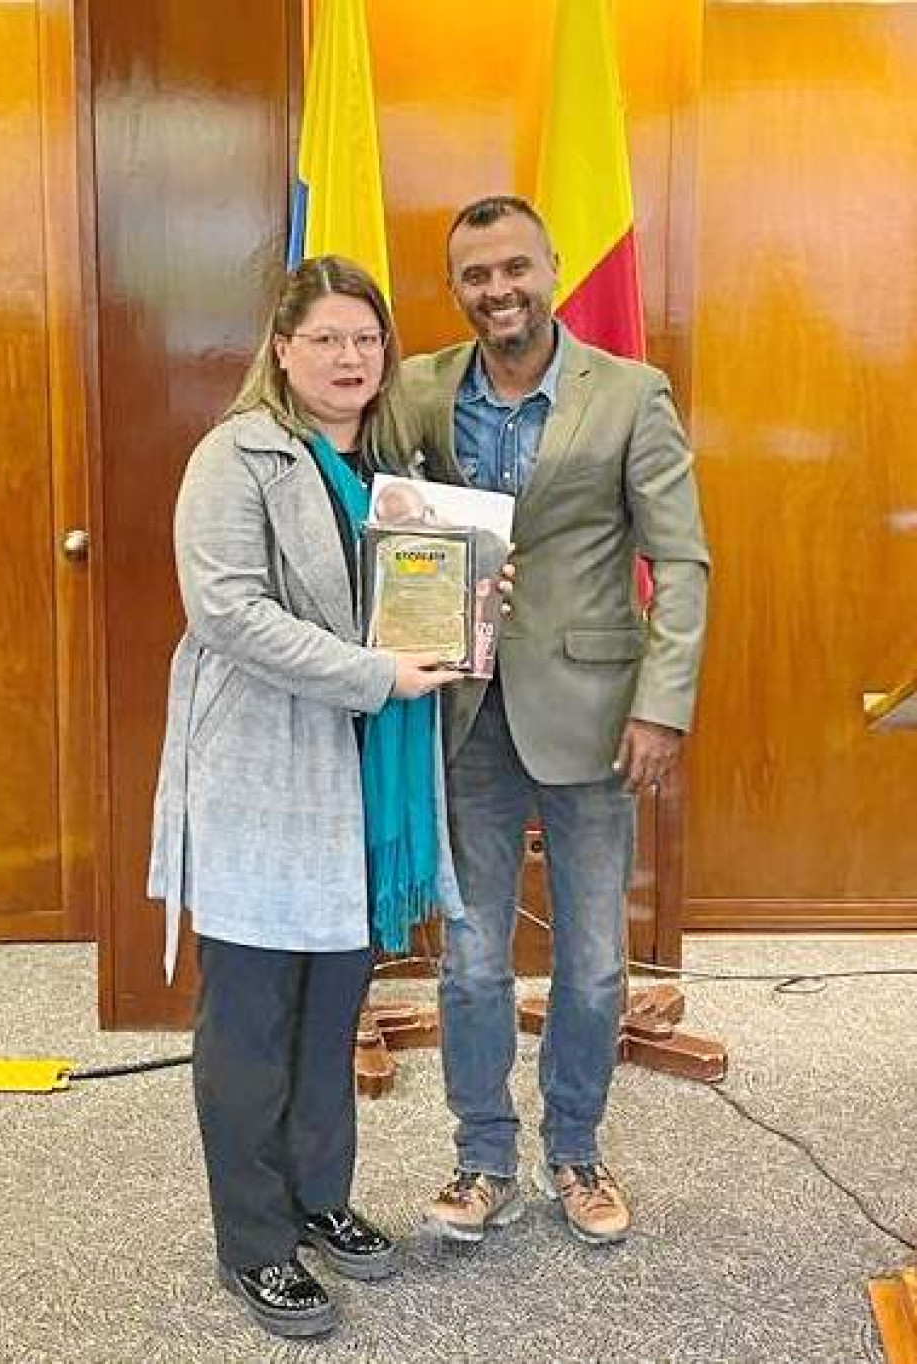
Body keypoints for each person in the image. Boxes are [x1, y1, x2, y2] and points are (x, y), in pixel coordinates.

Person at [385, 195, 710, 1247]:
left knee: (595, 956)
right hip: (464, 710)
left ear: (554, 269)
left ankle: (575, 1148)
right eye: (477, 275)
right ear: (458, 288)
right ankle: (484, 1158)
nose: (499, 290)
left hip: (595, 712)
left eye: (516, 268)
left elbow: (683, 558)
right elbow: (382, 517)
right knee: (471, 957)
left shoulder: (629, 393)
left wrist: (664, 702)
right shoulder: (417, 388)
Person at [147, 255, 458, 1340]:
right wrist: (376, 673)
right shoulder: (235, 456)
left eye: (366, 339)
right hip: (264, 777)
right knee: (251, 1020)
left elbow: (418, 604)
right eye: (325, 337)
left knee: (334, 1011)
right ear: (282, 348)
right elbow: (228, 611)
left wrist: (475, 601)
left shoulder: (389, 467)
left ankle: (319, 1198)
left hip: (358, 779)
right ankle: (254, 1242)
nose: (348, 357)